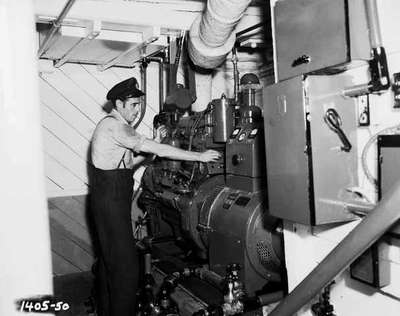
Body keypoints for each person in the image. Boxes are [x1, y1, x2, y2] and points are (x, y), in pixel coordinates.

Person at [90, 77, 220, 316]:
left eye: (139, 104)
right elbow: (157, 151)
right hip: (110, 202)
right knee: (127, 270)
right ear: (118, 104)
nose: (137, 110)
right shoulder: (115, 126)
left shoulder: (112, 126)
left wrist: (155, 143)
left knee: (110, 264)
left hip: (107, 200)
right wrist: (199, 157)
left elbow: (127, 165)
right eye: (132, 105)